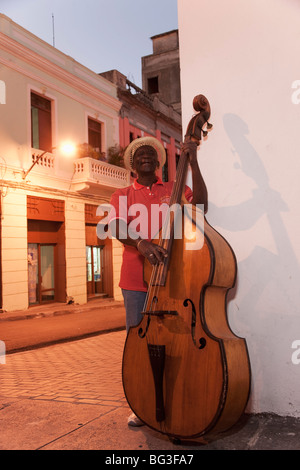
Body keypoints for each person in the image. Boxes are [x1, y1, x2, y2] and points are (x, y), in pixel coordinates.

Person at [108, 136, 207, 426]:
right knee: (138, 345)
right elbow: (114, 225)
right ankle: (141, 403)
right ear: (133, 165)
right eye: (139, 155)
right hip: (135, 282)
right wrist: (141, 243)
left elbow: (200, 206)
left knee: (177, 341)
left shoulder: (174, 190)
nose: (146, 157)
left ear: (159, 162)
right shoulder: (122, 195)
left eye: (151, 154)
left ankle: (177, 398)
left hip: (173, 278)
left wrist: (194, 161)